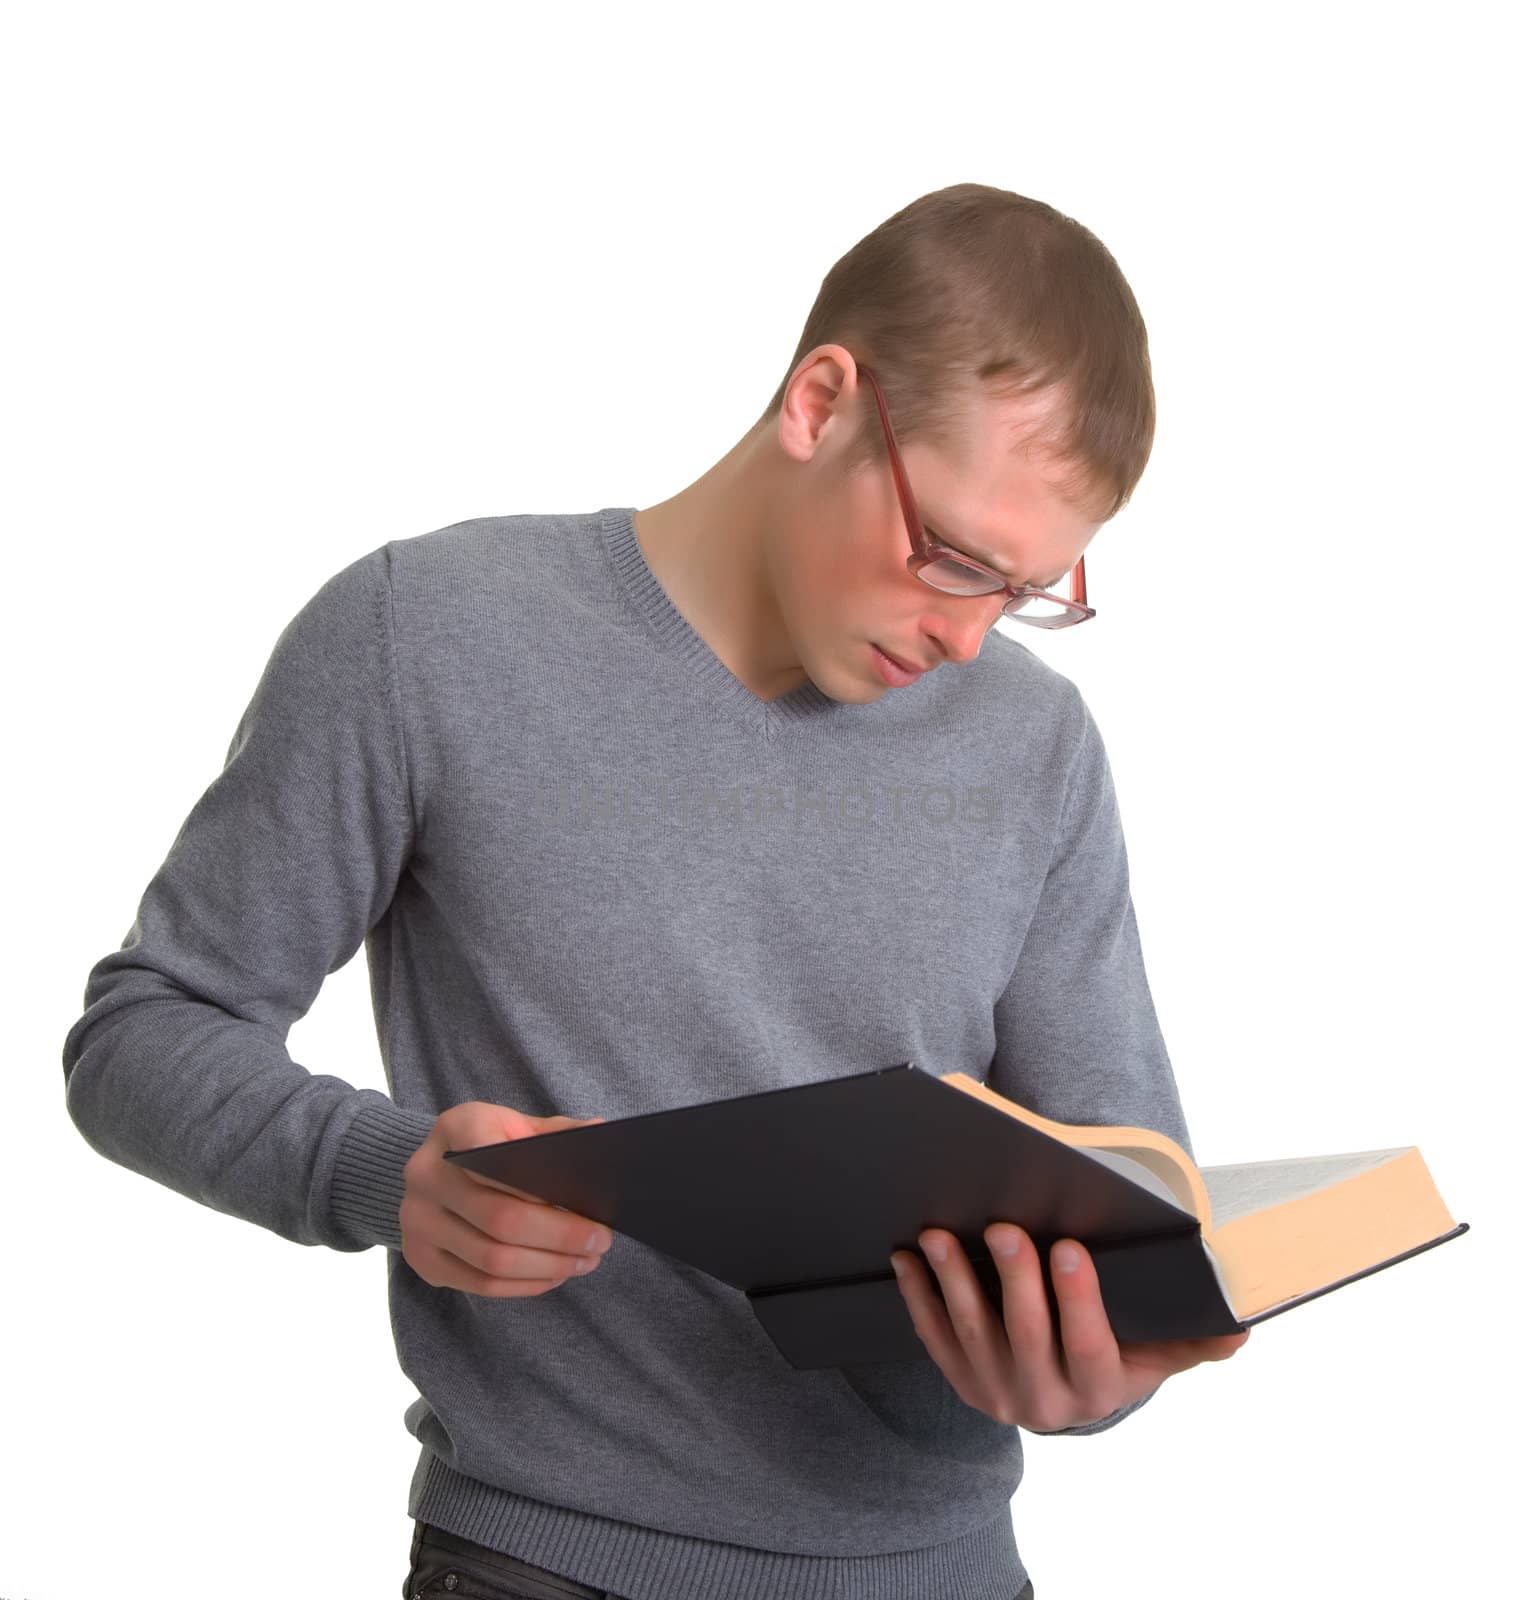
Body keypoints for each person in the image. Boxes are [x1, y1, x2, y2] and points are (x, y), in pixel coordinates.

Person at [61, 181, 1248, 1600]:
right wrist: (389, 1175)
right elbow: (146, 1028)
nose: (968, 636)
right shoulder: (425, 637)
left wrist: (1094, 1381)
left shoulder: (1035, 745)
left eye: (1028, 591)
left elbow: (1127, 1213)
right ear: (820, 403)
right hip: (545, 1567)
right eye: (951, 559)